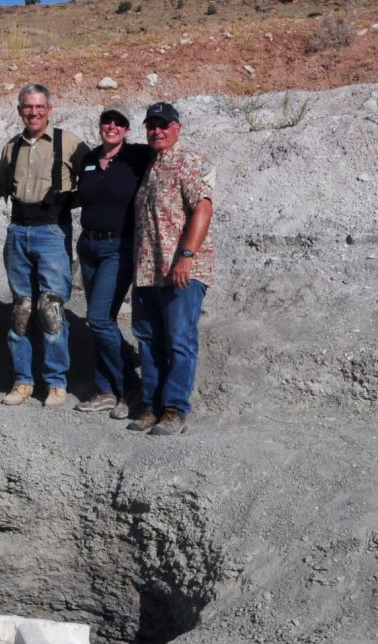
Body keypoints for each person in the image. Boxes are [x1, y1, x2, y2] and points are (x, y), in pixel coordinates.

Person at [0, 84, 89, 408]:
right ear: (19, 110)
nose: (33, 113)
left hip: (52, 232)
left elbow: (94, 176)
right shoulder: (11, 147)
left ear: (50, 109)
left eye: (39, 107)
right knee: (22, 309)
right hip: (18, 230)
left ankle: (56, 383)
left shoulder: (69, 142)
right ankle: (22, 381)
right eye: (27, 107)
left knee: (51, 309)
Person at [127, 102, 215, 436]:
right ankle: (151, 406)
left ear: (177, 127)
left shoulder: (188, 161)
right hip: (149, 270)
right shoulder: (151, 167)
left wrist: (187, 256)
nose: (157, 131)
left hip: (181, 270)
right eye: (151, 125)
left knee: (179, 340)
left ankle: (175, 409)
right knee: (149, 340)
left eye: (163, 125)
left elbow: (203, 209)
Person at [74, 104, 153, 419]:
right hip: (88, 246)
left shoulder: (136, 156)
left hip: (118, 247)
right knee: (98, 322)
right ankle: (105, 390)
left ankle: (131, 388)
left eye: (119, 122)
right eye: (107, 121)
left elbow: (166, 152)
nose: (112, 126)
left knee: (98, 318)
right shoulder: (89, 159)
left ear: (126, 129)